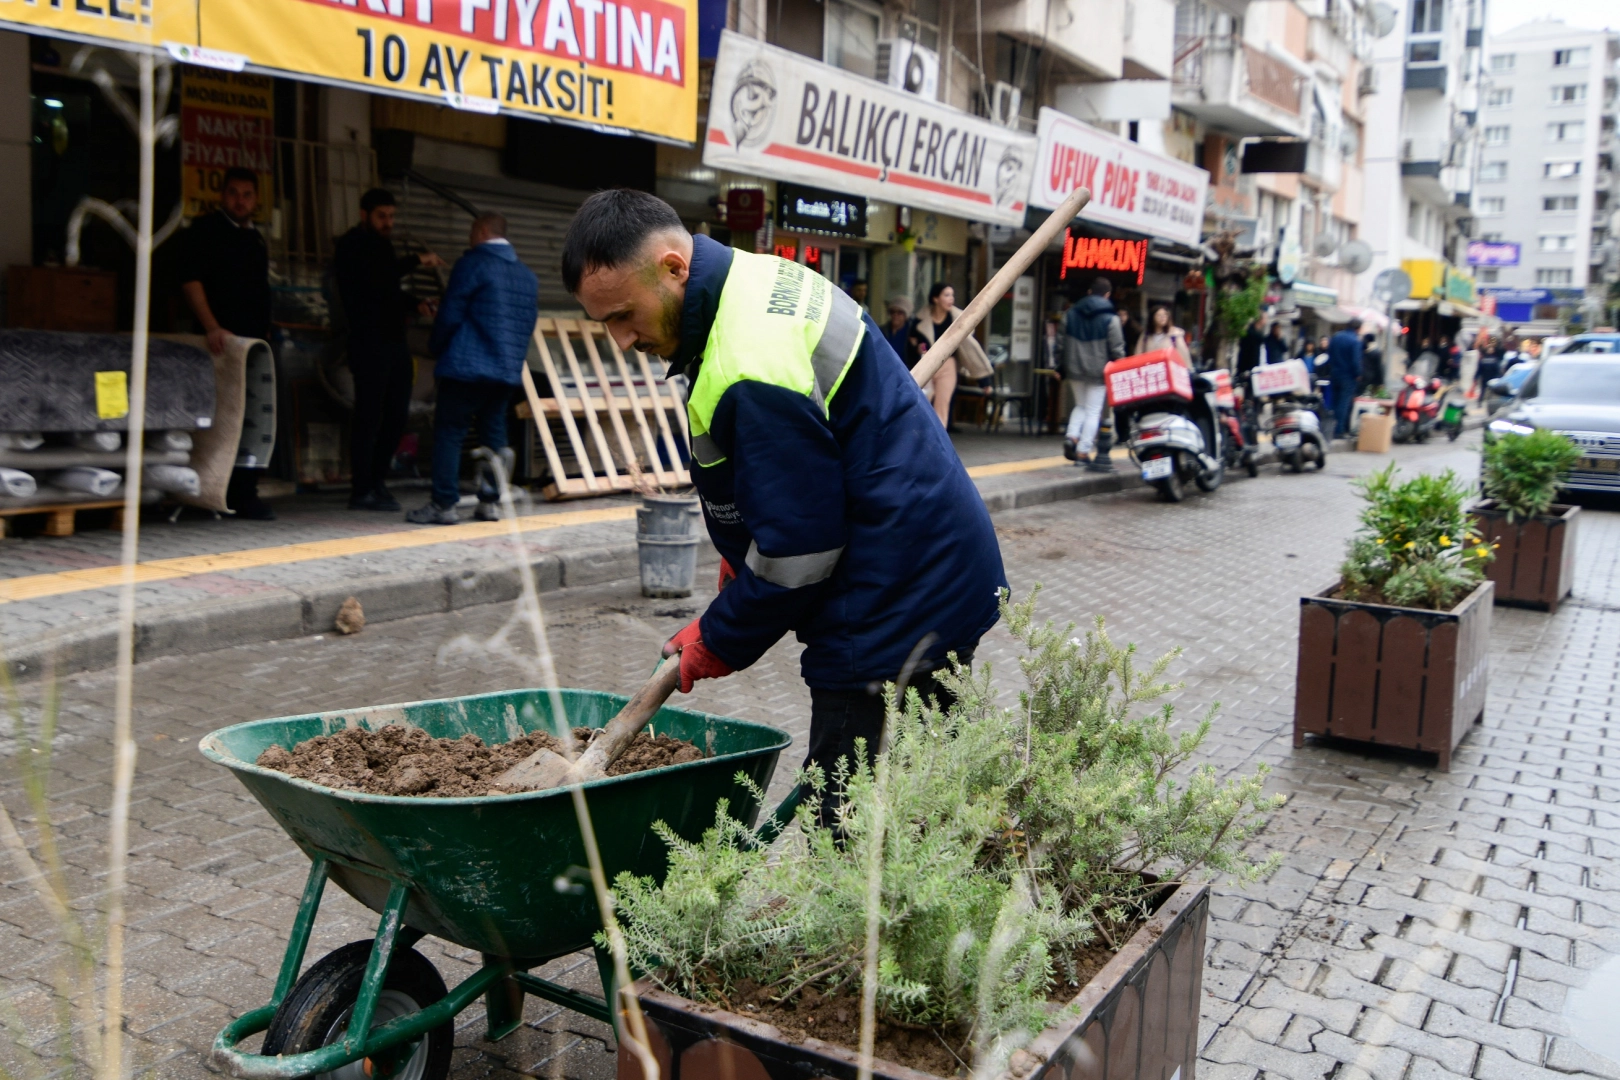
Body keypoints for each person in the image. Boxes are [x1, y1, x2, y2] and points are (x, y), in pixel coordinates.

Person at [561, 189, 1005, 828]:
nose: (622, 339)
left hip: (895, 596)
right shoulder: (753, 280)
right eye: (605, 322)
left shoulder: (748, 358)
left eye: (624, 315)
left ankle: (886, 918)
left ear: (674, 267)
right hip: (928, 555)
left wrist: (721, 635)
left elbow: (800, 551)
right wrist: (742, 547)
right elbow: (795, 469)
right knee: (922, 799)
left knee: (845, 823)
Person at [406, 213, 539, 525]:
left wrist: (436, 347)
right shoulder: (527, 277)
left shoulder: (473, 264)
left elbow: (451, 314)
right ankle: (489, 503)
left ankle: (444, 504)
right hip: (506, 369)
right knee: (494, 433)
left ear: (481, 231)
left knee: (450, 432)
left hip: (466, 365)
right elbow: (526, 324)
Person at [334, 188, 445, 512]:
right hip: (367, 343)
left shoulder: (382, 246)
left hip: (394, 343)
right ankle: (362, 489)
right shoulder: (352, 245)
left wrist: (416, 304)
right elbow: (374, 282)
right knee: (369, 416)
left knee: (397, 414)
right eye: (382, 216)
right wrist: (414, 260)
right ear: (364, 214)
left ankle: (377, 482)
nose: (388, 223)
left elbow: (387, 292)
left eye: (392, 216)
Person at [177, 166, 276, 521]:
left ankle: (244, 493)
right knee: (215, 419)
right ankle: (205, 493)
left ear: (256, 200)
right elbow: (191, 282)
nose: (240, 200)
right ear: (222, 195)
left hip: (253, 345)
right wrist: (212, 327)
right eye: (234, 193)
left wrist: (264, 332)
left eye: (247, 195)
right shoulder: (205, 231)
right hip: (218, 342)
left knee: (250, 418)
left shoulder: (256, 238)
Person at [1061, 277, 1126, 467]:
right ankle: (1083, 452)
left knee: (1080, 405)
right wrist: (1118, 366)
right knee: (1093, 411)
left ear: (1089, 292)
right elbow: (1117, 348)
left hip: (1074, 369)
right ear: (1107, 295)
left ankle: (1072, 436)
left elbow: (1060, 343)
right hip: (1099, 373)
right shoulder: (1111, 319)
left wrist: (1060, 366)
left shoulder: (1069, 314)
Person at [910, 282, 993, 428]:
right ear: (935, 299)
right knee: (923, 399)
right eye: (947, 295)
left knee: (942, 403)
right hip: (926, 363)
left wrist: (984, 382)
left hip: (947, 365)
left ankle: (938, 441)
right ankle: (920, 434)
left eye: (952, 295)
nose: (951, 299)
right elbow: (914, 341)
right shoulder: (920, 319)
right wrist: (921, 348)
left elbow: (972, 352)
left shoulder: (958, 320)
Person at [1326, 318, 1364, 437]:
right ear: (1358, 328)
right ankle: (1339, 430)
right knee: (1344, 403)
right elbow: (1355, 361)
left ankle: (1329, 428)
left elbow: (1329, 354)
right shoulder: (1355, 341)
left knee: (1334, 402)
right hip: (1348, 376)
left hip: (1334, 373)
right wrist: (1358, 374)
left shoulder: (1336, 337)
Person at [881, 296, 913, 362]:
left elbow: (924, 348)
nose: (895, 315)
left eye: (900, 312)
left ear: (906, 315)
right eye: (892, 312)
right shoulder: (882, 331)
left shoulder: (913, 332)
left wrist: (920, 348)